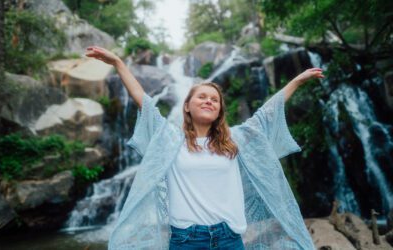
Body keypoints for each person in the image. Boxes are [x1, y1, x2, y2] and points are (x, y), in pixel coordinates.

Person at [86, 46, 324, 250]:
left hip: (229, 239)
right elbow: (143, 101)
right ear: (187, 106)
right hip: (186, 240)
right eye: (201, 97)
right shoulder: (169, 139)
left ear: (220, 110)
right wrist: (118, 63)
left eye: (214, 99)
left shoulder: (235, 140)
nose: (209, 100)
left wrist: (297, 80)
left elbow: (267, 113)